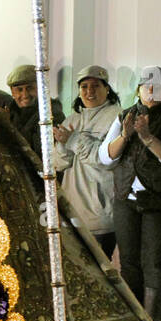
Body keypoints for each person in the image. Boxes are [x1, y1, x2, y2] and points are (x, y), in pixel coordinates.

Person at [98, 66, 161, 321]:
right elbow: (105, 157)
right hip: (125, 197)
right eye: (147, 85)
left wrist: (148, 138)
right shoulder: (126, 115)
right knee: (128, 262)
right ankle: (133, 320)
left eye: (158, 86)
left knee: (156, 262)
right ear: (138, 89)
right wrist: (126, 136)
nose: (152, 91)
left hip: (158, 199)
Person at [52, 65, 119, 258]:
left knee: (102, 273)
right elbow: (58, 163)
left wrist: (72, 140)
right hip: (72, 212)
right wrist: (63, 145)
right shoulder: (73, 118)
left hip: (101, 214)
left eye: (96, 86)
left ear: (107, 89)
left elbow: (106, 160)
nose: (90, 91)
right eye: (84, 87)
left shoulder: (116, 117)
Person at [5, 64, 65, 157]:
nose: (25, 95)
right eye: (19, 90)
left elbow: (43, 152)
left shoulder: (52, 114)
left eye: (30, 88)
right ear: (12, 92)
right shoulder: (8, 112)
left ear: (41, 88)